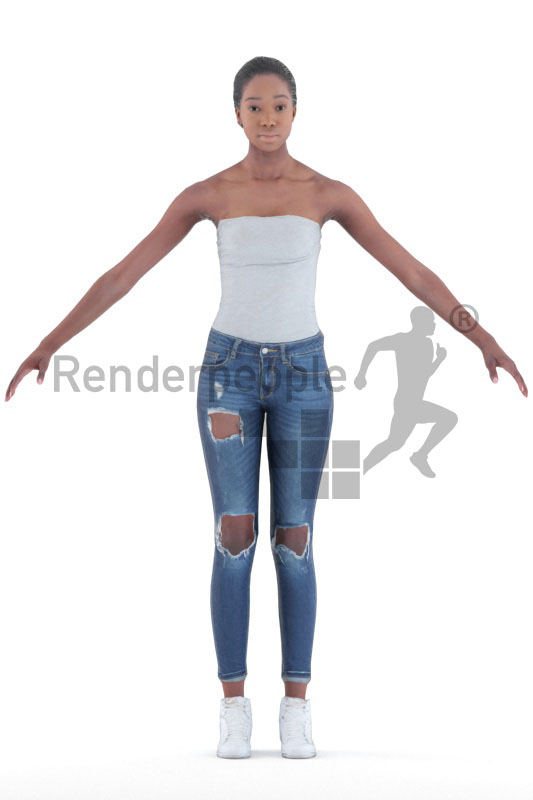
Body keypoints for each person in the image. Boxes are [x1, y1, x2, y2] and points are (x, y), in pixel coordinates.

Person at [5, 56, 528, 760]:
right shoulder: (207, 195)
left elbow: (410, 269)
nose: (268, 118)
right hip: (229, 376)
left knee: (296, 539)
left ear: (295, 110)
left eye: (279, 104)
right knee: (233, 536)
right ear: (236, 114)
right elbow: (124, 274)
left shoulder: (328, 194)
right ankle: (232, 707)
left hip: (304, 377)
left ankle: (296, 705)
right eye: (255, 106)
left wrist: (481, 337)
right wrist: (49, 343)